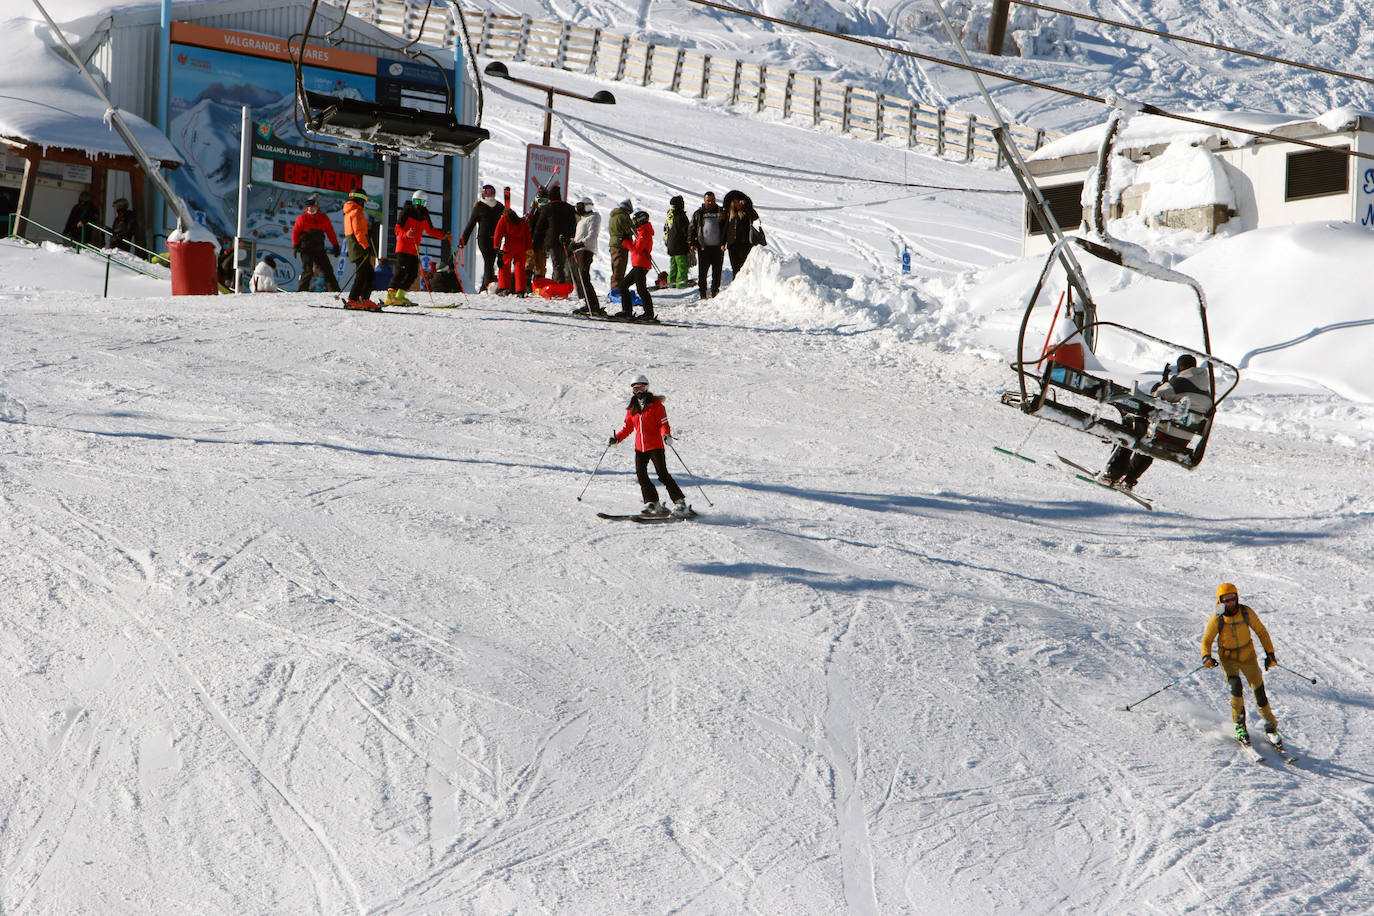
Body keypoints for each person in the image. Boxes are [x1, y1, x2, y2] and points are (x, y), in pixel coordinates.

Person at [1104, 353, 1215, 489]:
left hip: (1164, 433)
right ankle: (1130, 479)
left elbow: (1155, 397)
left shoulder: (1180, 382)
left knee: (1133, 426)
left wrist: (1159, 387)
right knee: (1150, 440)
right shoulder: (1207, 392)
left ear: (1181, 367)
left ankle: (1113, 473)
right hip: (1182, 440)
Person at [1201, 582, 1283, 748]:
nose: (1230, 603)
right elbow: (1207, 639)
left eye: (1232, 599)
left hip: (1248, 656)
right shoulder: (1218, 618)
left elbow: (1261, 631)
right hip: (1228, 658)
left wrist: (1270, 653)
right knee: (1236, 687)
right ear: (1220, 601)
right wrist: (1206, 657)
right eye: (1226, 600)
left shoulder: (1246, 612)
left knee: (1259, 690)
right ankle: (1240, 725)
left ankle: (1270, 726)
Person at [608, 374, 689, 517]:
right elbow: (628, 427)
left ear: (647, 388)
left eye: (642, 387)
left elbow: (663, 424)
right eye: (636, 388)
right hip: (640, 448)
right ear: (632, 390)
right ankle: (653, 503)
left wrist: (666, 435)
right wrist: (617, 439)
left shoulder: (656, 405)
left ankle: (680, 502)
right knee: (641, 475)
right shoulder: (632, 408)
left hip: (655, 446)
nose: (639, 390)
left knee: (662, 474)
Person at [389, 190, 449, 306]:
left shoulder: (424, 214)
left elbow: (430, 230)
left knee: (412, 274)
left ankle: (399, 296)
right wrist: (407, 234)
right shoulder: (407, 211)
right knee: (401, 271)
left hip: (414, 248)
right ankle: (390, 296)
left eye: (422, 202)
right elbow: (397, 229)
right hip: (403, 246)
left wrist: (443, 235)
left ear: (425, 203)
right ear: (413, 201)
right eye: (417, 201)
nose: (419, 205)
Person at [291, 193, 341, 292]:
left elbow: (330, 233)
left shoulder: (324, 218)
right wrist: (296, 245)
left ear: (317, 207)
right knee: (308, 271)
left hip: (319, 249)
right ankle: (301, 291)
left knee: (327, 270)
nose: (310, 209)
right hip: (306, 249)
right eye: (309, 207)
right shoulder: (302, 218)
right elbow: (295, 232)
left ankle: (334, 291)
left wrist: (335, 245)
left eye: (313, 206)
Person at [458, 183, 503, 293]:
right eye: (487, 193)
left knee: (491, 261)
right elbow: (471, 224)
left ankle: (483, 288)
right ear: (483, 194)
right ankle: (489, 285)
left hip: (496, 239)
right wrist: (463, 240)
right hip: (484, 239)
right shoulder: (479, 207)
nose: (490, 196)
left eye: (492, 193)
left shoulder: (499, 206)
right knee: (488, 261)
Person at [343, 188, 380, 310]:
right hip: (359, 246)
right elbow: (358, 232)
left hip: (354, 246)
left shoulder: (350, 212)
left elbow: (357, 230)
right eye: (363, 201)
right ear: (360, 200)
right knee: (365, 274)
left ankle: (361, 299)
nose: (364, 203)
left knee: (366, 274)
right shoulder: (357, 212)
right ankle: (355, 299)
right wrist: (366, 247)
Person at [616, 210, 656, 322]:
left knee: (640, 289)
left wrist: (625, 242)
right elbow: (635, 246)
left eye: (635, 221)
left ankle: (648, 314)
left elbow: (636, 249)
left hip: (641, 264)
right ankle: (627, 312)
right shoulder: (642, 232)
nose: (634, 223)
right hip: (639, 264)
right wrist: (627, 240)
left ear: (640, 220)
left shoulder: (644, 233)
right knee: (624, 285)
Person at [536, 184, 578, 286]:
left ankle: (559, 286)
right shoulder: (569, 208)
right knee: (564, 264)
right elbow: (573, 224)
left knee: (557, 264)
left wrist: (536, 241)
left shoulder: (548, 208)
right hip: (567, 239)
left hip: (553, 240)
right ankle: (562, 284)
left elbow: (540, 226)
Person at [568, 198, 604, 316]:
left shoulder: (594, 217)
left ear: (587, 206)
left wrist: (580, 243)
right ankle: (588, 303)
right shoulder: (582, 220)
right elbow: (580, 237)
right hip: (579, 250)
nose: (578, 208)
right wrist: (570, 241)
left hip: (585, 250)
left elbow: (592, 235)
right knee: (579, 277)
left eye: (580, 206)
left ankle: (593, 305)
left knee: (584, 277)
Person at [689, 191, 725, 300]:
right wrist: (691, 243)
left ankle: (715, 290)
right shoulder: (699, 213)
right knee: (703, 271)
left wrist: (723, 218)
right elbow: (692, 228)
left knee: (717, 271)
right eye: (708, 200)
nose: (710, 202)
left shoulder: (721, 212)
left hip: (718, 247)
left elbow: (727, 227)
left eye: (712, 200)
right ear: (704, 201)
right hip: (703, 247)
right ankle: (703, 292)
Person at [492, 206, 532, 296]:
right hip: (522, 246)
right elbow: (528, 235)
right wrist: (529, 247)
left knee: (504, 266)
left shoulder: (504, 219)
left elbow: (498, 233)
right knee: (520, 268)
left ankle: (504, 288)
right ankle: (521, 290)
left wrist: (496, 247)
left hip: (509, 245)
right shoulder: (521, 221)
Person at [721, 189, 760, 279]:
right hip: (732, 244)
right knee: (735, 267)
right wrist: (723, 243)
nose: (737, 204)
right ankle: (736, 283)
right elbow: (725, 228)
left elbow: (755, 216)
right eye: (735, 202)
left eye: (739, 202)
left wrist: (747, 206)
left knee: (744, 266)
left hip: (745, 244)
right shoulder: (729, 214)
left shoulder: (746, 213)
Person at [663, 195, 691, 288]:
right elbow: (686, 231)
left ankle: (671, 283)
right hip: (680, 245)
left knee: (673, 266)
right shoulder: (681, 215)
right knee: (682, 266)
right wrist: (690, 242)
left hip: (671, 245)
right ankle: (681, 284)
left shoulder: (670, 215)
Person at [607, 198, 633, 295]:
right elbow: (629, 229)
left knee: (615, 267)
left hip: (613, 244)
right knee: (619, 268)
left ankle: (616, 287)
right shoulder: (623, 216)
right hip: (620, 244)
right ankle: (616, 289)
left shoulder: (613, 216)